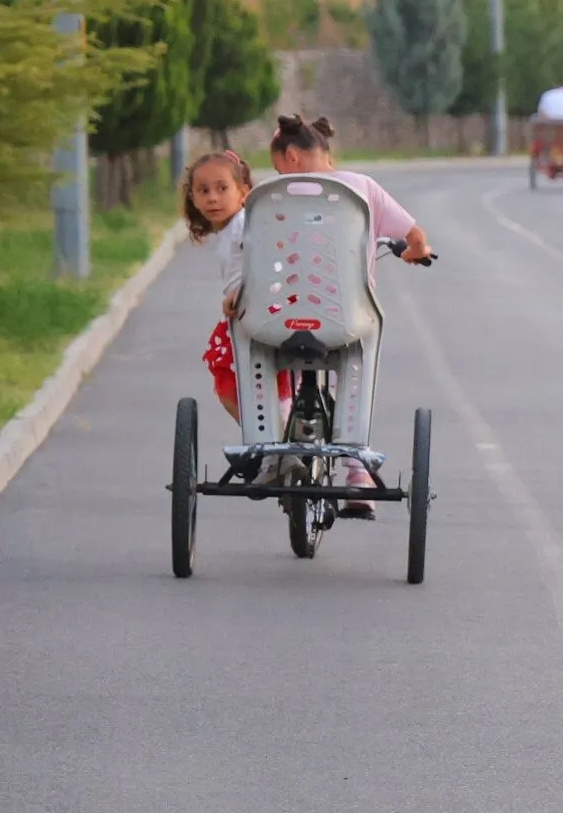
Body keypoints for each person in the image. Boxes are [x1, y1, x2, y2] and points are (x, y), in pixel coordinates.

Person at [254, 115, 434, 514]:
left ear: (293, 157)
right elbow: (416, 238)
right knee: (355, 358)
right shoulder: (362, 188)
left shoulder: (267, 194)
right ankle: (356, 471)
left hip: (276, 318)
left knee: (265, 351)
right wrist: (415, 252)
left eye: (279, 164)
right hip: (343, 319)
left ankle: (267, 446)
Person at [183, 149, 254, 423]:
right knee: (232, 389)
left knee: (232, 387)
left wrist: (242, 291)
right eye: (203, 191)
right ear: (193, 198)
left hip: (256, 311)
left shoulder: (243, 224)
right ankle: (270, 438)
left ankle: (271, 440)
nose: (212, 197)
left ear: (243, 192)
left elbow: (266, 257)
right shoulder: (231, 228)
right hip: (247, 312)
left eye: (222, 188)